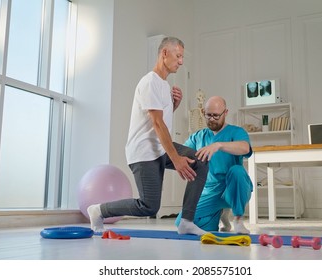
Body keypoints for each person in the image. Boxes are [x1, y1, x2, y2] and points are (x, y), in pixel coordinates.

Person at [87, 37, 208, 236]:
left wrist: (174, 107)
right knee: (149, 206)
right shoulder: (150, 82)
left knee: (200, 160)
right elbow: (157, 123)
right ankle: (98, 210)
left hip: (159, 147)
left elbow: (160, 121)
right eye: (178, 56)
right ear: (164, 54)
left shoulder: (163, 85)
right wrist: (176, 159)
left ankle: (186, 221)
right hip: (144, 151)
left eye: (182, 57)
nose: (181, 61)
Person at [175, 96, 253, 234]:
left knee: (237, 171)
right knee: (182, 222)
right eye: (208, 115)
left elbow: (245, 148)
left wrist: (218, 145)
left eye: (216, 116)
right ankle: (222, 215)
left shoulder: (237, 132)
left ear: (226, 112)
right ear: (203, 112)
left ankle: (238, 219)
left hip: (232, 188)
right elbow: (182, 153)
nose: (211, 119)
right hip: (210, 191)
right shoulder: (198, 136)